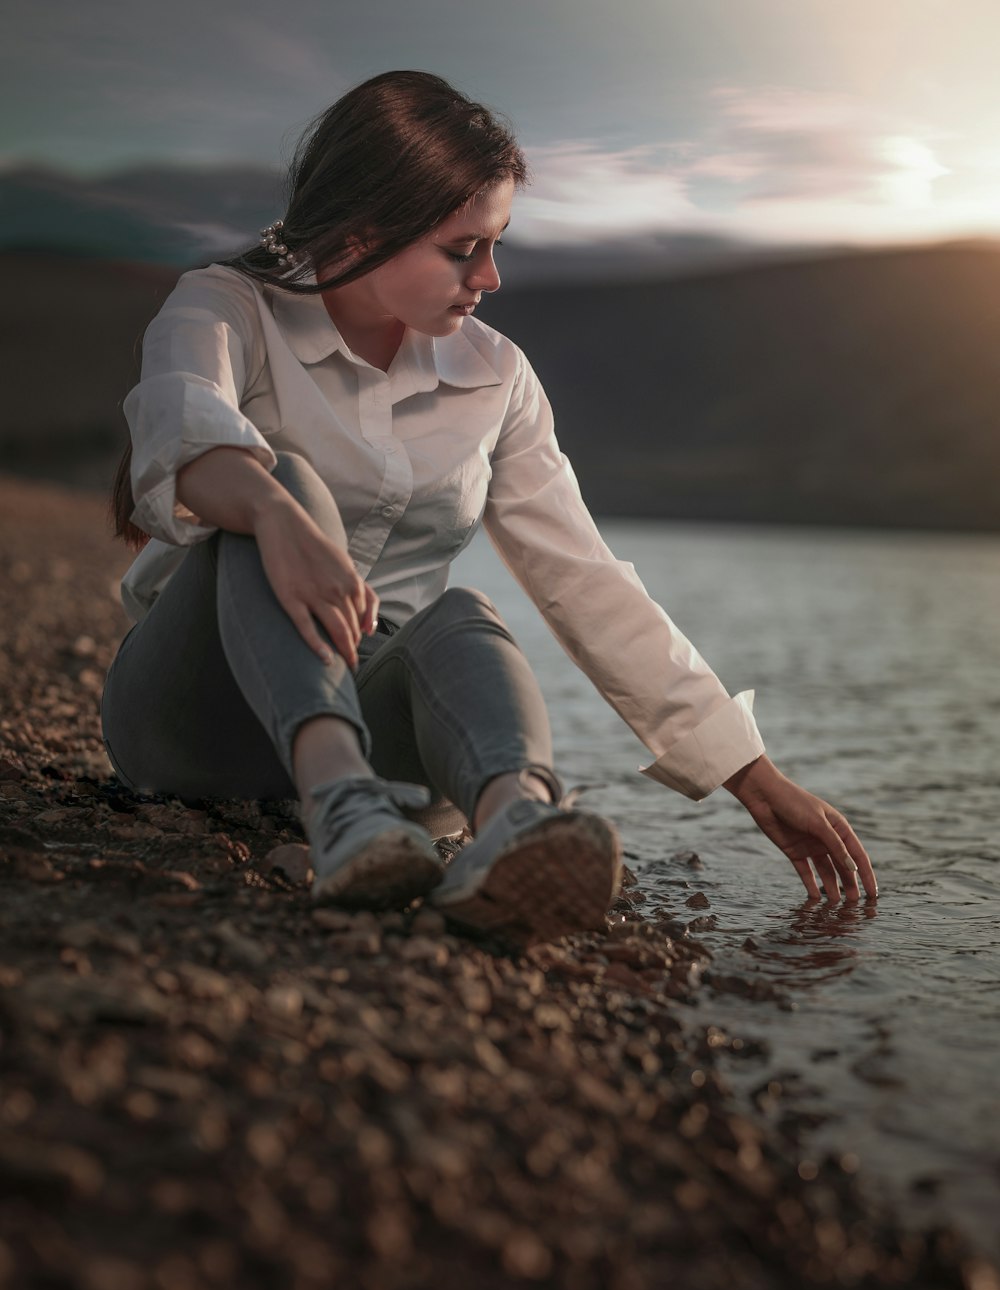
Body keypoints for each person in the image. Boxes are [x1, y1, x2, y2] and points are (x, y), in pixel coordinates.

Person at [102, 70, 877, 944]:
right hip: (193, 714)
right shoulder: (224, 305)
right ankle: (339, 805)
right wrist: (278, 518)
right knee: (277, 482)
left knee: (464, 615)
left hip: (379, 711)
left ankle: (516, 826)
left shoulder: (497, 377)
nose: (493, 276)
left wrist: (754, 776)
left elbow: (583, 579)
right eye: (463, 247)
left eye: (498, 242)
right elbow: (179, 429)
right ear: (364, 229)